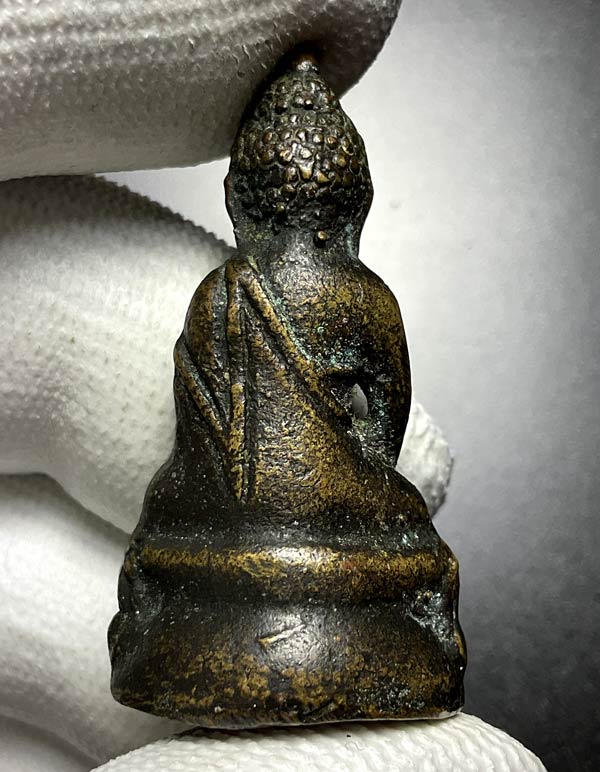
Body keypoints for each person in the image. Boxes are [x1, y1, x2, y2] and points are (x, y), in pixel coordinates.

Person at [0, 1, 545, 770]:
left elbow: (199, 416)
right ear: (351, 199)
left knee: (165, 520)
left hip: (223, 523)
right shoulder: (362, 297)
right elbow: (383, 424)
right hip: (333, 511)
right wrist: (350, 474)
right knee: (403, 522)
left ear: (244, 200)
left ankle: (179, 631)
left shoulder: (220, 294)